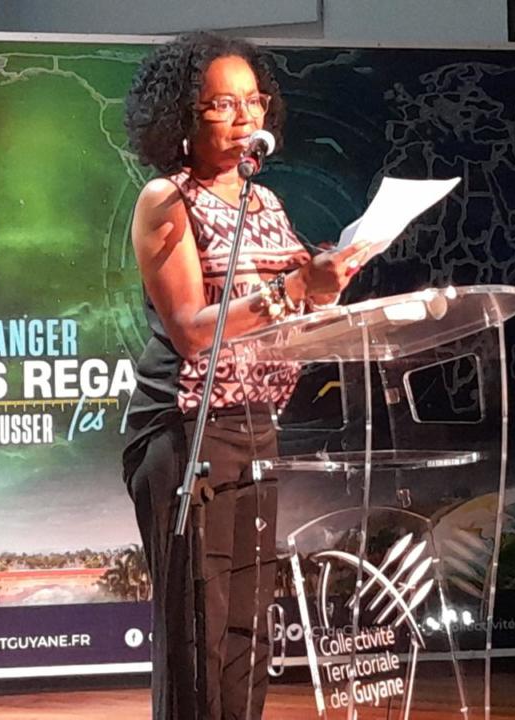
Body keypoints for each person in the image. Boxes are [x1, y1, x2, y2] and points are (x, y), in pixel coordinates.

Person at [120, 32, 365, 720]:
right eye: (222, 104)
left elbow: (291, 308)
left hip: (257, 428)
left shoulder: (267, 205)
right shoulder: (167, 199)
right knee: (198, 630)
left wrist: (328, 285)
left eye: (253, 101)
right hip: (186, 431)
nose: (243, 116)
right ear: (183, 115)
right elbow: (192, 330)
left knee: (246, 634)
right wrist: (293, 290)